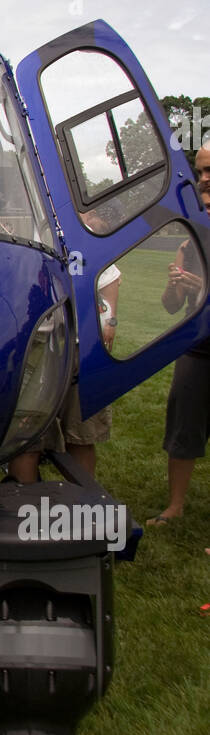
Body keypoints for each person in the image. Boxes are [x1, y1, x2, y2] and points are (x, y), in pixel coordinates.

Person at [8, 254, 120, 483]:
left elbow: (109, 280)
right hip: (35, 345)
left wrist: (110, 321)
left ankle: (83, 506)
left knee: (81, 436)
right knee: (25, 437)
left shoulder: (85, 239)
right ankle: (23, 508)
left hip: (82, 348)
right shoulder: (32, 233)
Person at [146, 144, 210, 539]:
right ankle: (175, 506)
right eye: (201, 171)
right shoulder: (191, 239)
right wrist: (176, 287)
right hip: (197, 352)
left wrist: (203, 287)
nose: (205, 178)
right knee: (183, 431)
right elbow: (171, 307)